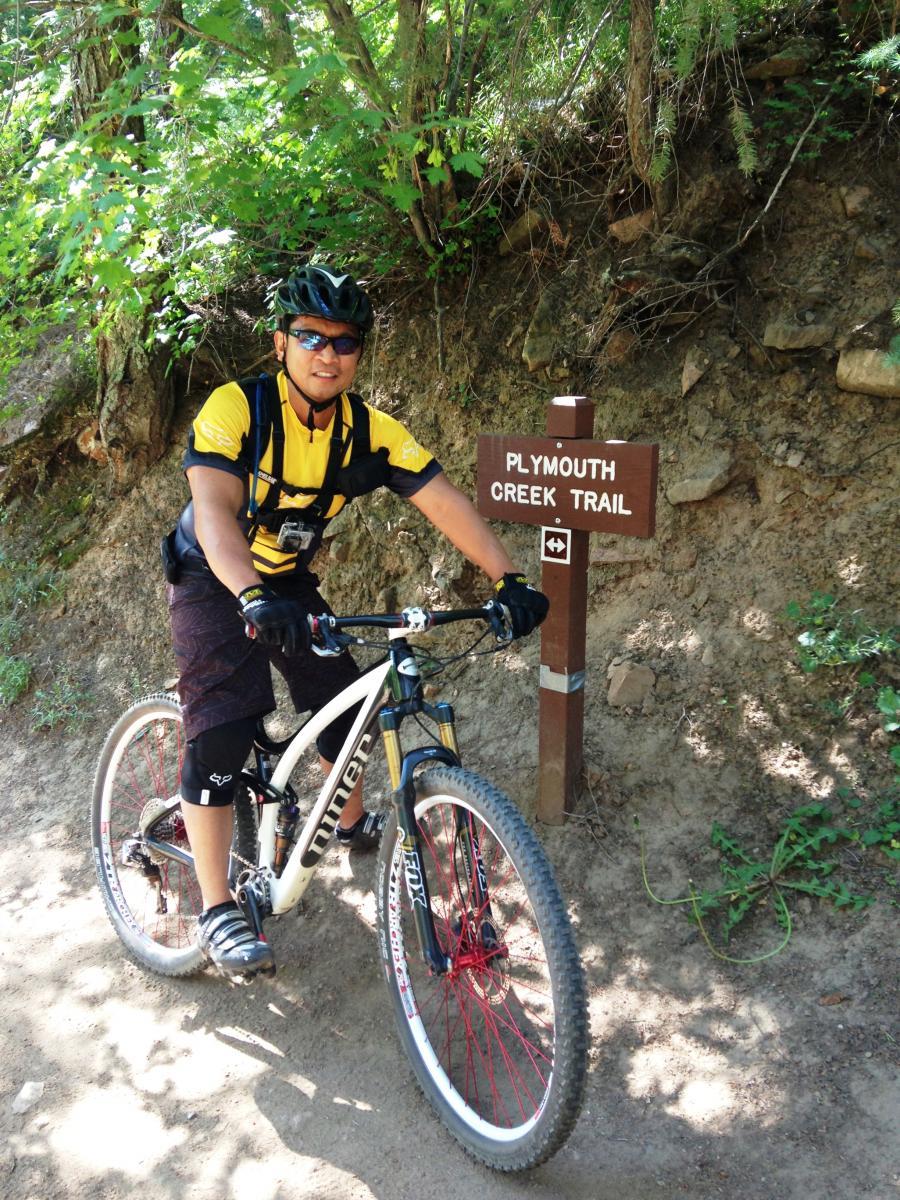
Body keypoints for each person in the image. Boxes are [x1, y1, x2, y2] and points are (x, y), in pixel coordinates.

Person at [165, 263, 548, 979]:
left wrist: (509, 576)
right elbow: (214, 511)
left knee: (342, 704)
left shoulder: (369, 431)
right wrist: (249, 594)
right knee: (220, 731)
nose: (327, 354)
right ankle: (217, 907)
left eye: (344, 343)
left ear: (358, 355)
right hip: (216, 580)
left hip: (286, 583)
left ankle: (348, 823)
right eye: (310, 337)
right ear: (281, 343)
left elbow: (441, 498)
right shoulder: (236, 408)